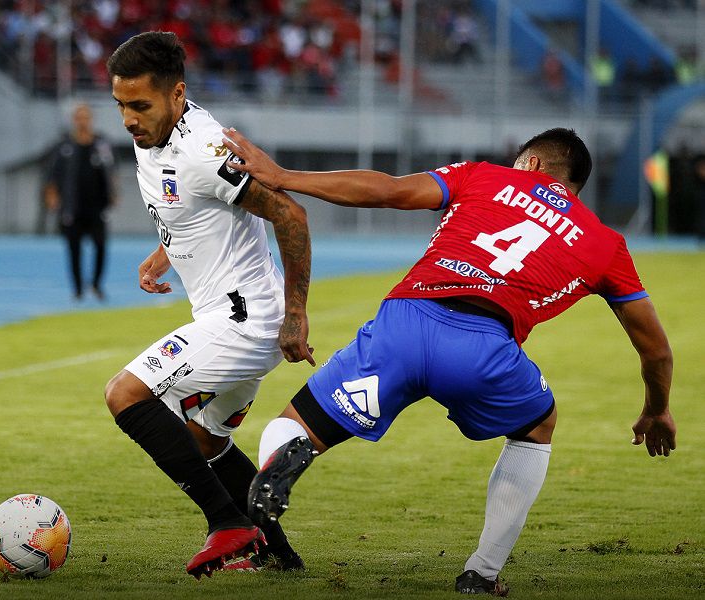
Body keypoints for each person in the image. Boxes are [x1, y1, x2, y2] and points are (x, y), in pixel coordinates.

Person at [222, 126, 676, 595]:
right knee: (538, 426)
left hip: (406, 322)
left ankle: (285, 467)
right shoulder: (604, 243)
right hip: (484, 348)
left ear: (533, 165)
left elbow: (388, 191)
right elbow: (656, 348)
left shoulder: (482, 175)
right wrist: (657, 407)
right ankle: (482, 572)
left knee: (296, 424)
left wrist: (284, 176)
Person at [103, 31, 314, 579]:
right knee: (204, 439)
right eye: (120, 104)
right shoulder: (153, 132)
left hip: (246, 322)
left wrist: (296, 316)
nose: (127, 118)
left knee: (126, 395)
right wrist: (164, 254)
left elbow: (290, 217)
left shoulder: (206, 151)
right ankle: (276, 554)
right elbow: (189, 207)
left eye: (139, 105)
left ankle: (227, 524)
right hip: (228, 316)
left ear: (177, 96)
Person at [44, 104, 117, 300]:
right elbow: (52, 175)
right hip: (72, 207)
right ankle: (77, 288)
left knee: (101, 245)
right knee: (74, 250)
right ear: (74, 120)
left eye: (86, 117)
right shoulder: (64, 145)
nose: (83, 121)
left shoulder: (102, 144)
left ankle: (96, 284)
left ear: (91, 119)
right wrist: (52, 196)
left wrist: (113, 194)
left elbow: (111, 170)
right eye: (79, 117)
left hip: (97, 206)